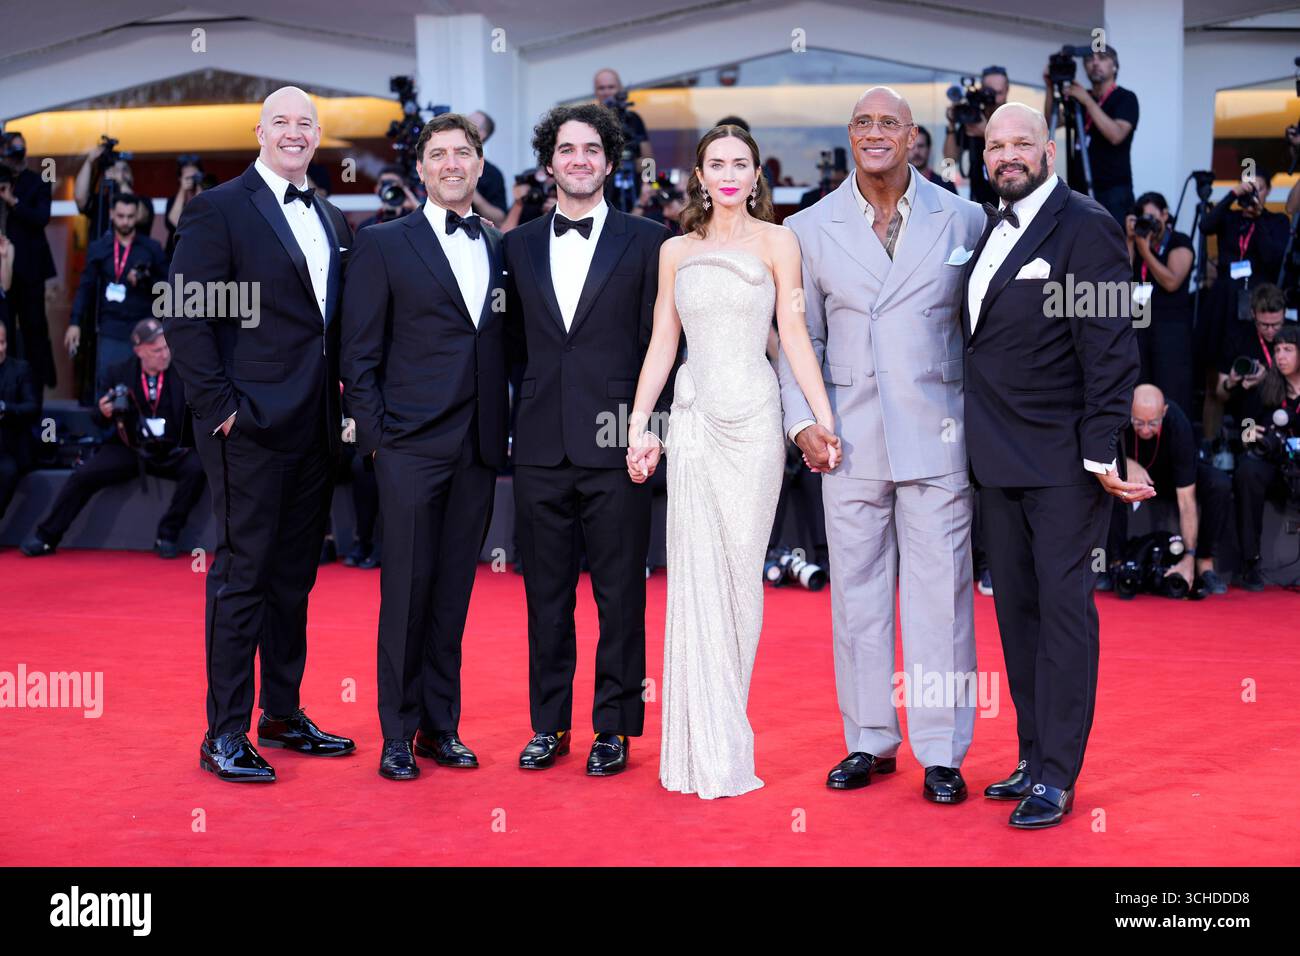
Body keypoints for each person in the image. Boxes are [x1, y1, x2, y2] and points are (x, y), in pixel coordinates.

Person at [779, 87, 987, 806]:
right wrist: (801, 422)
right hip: (848, 440)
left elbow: (985, 331)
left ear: (912, 137)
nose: (876, 133)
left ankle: (941, 751)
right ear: (850, 135)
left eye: (888, 123)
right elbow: (795, 337)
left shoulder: (965, 216)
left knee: (943, 602)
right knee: (858, 602)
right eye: (863, 122)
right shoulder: (807, 227)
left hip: (939, 436)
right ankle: (869, 739)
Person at [623, 124, 833, 799]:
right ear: (701, 174)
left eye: (741, 163)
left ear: (756, 173)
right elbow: (662, 341)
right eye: (717, 163)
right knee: (694, 577)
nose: (730, 174)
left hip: (754, 422)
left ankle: (725, 730)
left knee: (740, 576)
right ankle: (697, 746)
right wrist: (638, 424)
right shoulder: (674, 250)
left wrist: (823, 417)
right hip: (692, 421)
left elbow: (793, 333)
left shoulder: (780, 242)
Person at [167, 86, 357, 783]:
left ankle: (281, 713)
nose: (294, 132)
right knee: (244, 575)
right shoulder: (219, 208)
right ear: (259, 131)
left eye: (305, 123)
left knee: (292, 577)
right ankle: (222, 734)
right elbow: (186, 313)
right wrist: (220, 406)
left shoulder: (334, 217)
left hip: (313, 428)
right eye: (281, 121)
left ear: (316, 135)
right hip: (245, 425)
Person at [963, 103, 1145, 828]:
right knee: (1018, 616)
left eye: (1020, 143)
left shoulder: (1087, 224)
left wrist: (1101, 449)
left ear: (1048, 148)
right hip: (996, 461)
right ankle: (1034, 754)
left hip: (1064, 463)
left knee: (1064, 616)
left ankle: (1059, 777)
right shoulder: (989, 228)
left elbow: (1111, 348)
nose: (1007, 154)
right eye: (996, 145)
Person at [503, 103, 671, 777]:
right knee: (545, 597)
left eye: (591, 150)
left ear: (609, 162)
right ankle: (549, 725)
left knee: (619, 596)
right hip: (540, 448)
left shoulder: (650, 241)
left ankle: (614, 727)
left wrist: (651, 433)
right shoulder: (513, 247)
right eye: (566, 150)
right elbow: (511, 350)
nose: (578, 160)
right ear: (550, 163)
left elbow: (667, 347)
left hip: (620, 447)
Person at [340, 113, 510, 781]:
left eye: (461, 153)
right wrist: (379, 441)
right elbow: (359, 351)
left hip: (476, 447)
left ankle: (443, 727)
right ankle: (396, 733)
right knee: (405, 592)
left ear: (477, 164)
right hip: (408, 446)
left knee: (452, 596)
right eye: (437, 154)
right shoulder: (384, 243)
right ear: (421, 169)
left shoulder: (498, 243)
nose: (450, 164)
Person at [20, 320, 205, 560]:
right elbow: (98, 418)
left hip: (173, 449)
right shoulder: (118, 373)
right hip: (131, 447)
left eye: (166, 348)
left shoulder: (182, 372)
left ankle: (168, 533)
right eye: (156, 350)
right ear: (139, 350)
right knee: (83, 475)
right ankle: (47, 536)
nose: (164, 355)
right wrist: (104, 412)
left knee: (198, 468)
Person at [1099, 384, 1232, 596]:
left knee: (1219, 482)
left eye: (1152, 423)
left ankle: (1204, 564)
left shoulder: (1178, 423)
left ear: (1164, 412)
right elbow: (1096, 455)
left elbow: (1186, 500)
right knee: (1107, 482)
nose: (1144, 429)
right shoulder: (1116, 417)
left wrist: (1189, 555)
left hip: (1171, 477)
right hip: (1129, 475)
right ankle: (1116, 563)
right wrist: (1126, 463)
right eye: (1138, 422)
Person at [66, 194, 167, 395]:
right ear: (112, 214)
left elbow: (168, 288)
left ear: (137, 216)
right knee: (108, 385)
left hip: (143, 327)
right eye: (120, 216)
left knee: (144, 387)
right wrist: (75, 322)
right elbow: (85, 287)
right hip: (111, 326)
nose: (125, 221)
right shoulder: (99, 248)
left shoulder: (151, 248)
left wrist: (146, 280)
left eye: (130, 216)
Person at [1232, 323, 1300, 591]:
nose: (1281, 356)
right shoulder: (1268, 386)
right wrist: (1252, 434)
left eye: (1288, 349)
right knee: (1248, 470)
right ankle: (1250, 562)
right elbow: (1245, 427)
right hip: (1276, 466)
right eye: (1277, 349)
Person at [1043, 45, 1139, 225]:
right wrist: (1050, 87)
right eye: (1089, 59)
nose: (1095, 63)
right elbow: (1049, 124)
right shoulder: (1080, 97)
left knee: (1110, 248)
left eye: (1102, 58)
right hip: (1079, 191)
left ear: (1115, 66)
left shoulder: (1125, 98)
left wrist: (1086, 101)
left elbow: (1116, 135)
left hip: (1113, 192)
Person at [1125, 192, 1195, 414]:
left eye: (1153, 217)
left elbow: (1172, 281)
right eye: (1144, 219)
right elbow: (1121, 275)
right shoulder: (1137, 241)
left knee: (1171, 389)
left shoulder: (1179, 241)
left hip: (1170, 329)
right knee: (1138, 386)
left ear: (1165, 215)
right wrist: (1129, 240)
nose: (1150, 224)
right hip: (1139, 325)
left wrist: (1146, 252)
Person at [1, 131, 58, 393]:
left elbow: (41, 217)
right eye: (11, 153)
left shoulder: (38, 181)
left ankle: (36, 387)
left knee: (34, 328)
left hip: (30, 269)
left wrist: (13, 201)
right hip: (3, 269)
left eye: (20, 153)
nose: (16, 159)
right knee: (5, 331)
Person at [942, 65, 1009, 206]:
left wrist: (985, 133)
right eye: (990, 92)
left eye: (999, 93)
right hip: (980, 204)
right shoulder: (974, 117)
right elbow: (949, 160)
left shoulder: (1014, 117)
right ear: (982, 90)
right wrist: (951, 125)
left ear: (1007, 90)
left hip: (1009, 202)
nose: (995, 99)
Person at [0, 322, 38, 525]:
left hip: (9, 446)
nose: (0, 348)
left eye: (3, 342)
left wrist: (5, 407)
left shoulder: (20, 369)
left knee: (7, 472)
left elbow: (33, 407)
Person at [466, 110, 509, 223]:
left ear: (481, 134)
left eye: (469, 123)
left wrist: (472, 193)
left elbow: (500, 218)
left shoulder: (493, 174)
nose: (462, 126)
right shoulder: (446, 162)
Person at [909, 125, 956, 194]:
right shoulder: (895, 186)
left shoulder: (945, 186)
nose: (916, 152)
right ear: (905, 150)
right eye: (912, 146)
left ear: (929, 149)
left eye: (921, 146)